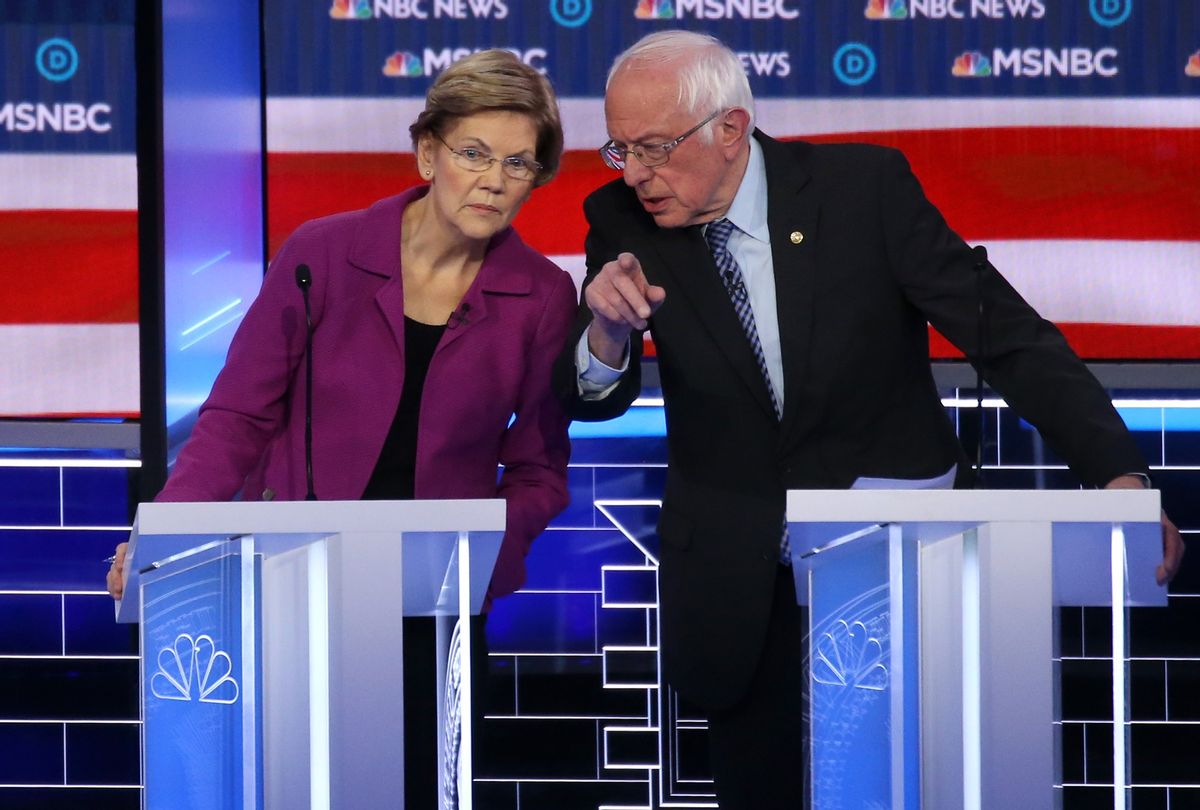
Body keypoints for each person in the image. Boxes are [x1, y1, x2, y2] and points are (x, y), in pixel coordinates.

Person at [551, 30, 1185, 810]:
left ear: (730, 129)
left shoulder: (863, 189)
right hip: (741, 593)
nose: (637, 174)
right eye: (620, 150)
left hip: (899, 573)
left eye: (653, 147)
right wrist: (608, 335)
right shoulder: (619, 219)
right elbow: (594, 396)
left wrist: (1117, 474)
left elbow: (1008, 338)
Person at [108, 49, 576, 806]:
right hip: (299, 584)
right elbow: (237, 418)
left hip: (437, 609)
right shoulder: (320, 255)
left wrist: (480, 555)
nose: (494, 179)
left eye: (519, 163)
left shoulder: (544, 296)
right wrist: (168, 538)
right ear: (428, 152)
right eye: (474, 153)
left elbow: (539, 470)